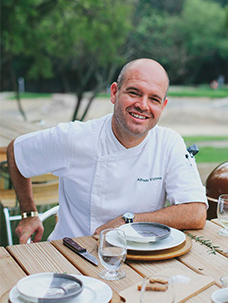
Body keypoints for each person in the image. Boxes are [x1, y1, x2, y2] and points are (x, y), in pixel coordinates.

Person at [7, 58, 208, 244]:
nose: (142, 105)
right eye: (134, 93)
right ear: (114, 93)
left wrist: (127, 222)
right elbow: (16, 152)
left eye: (154, 99)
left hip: (140, 256)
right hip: (73, 253)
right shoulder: (75, 138)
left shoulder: (169, 143)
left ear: (162, 106)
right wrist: (28, 213)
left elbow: (196, 212)